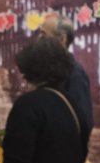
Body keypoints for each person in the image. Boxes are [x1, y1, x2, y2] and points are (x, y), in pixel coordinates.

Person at [40, 15, 94, 145]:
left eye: (43, 35)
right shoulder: (44, 70)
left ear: (62, 39)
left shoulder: (75, 75)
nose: (38, 39)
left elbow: (83, 123)